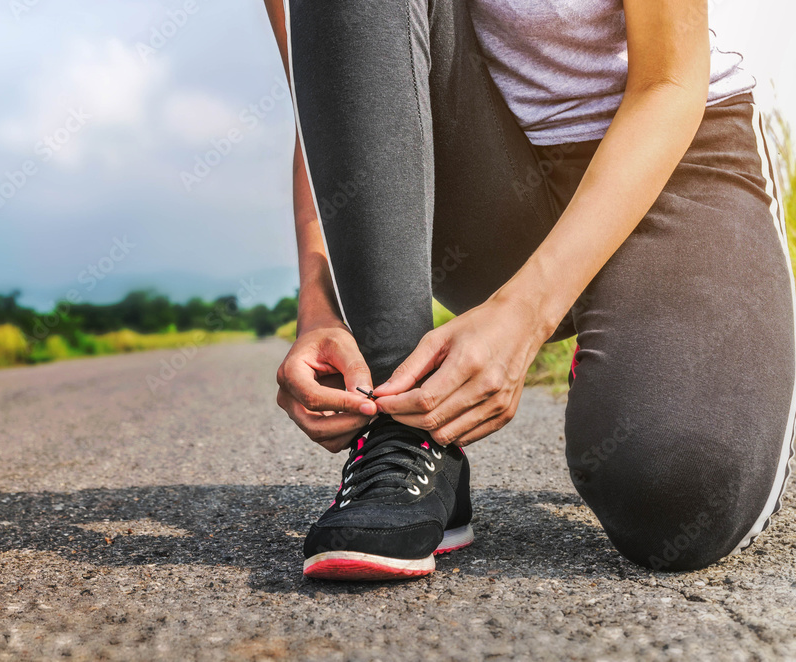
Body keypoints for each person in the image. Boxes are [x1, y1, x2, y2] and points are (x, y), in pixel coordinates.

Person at [263, 0, 796, 580]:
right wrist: (320, 303)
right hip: (484, 179)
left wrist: (527, 315)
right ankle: (407, 437)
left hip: (669, 152)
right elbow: (335, 95)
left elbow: (669, 80)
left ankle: (624, 337)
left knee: (677, 493)